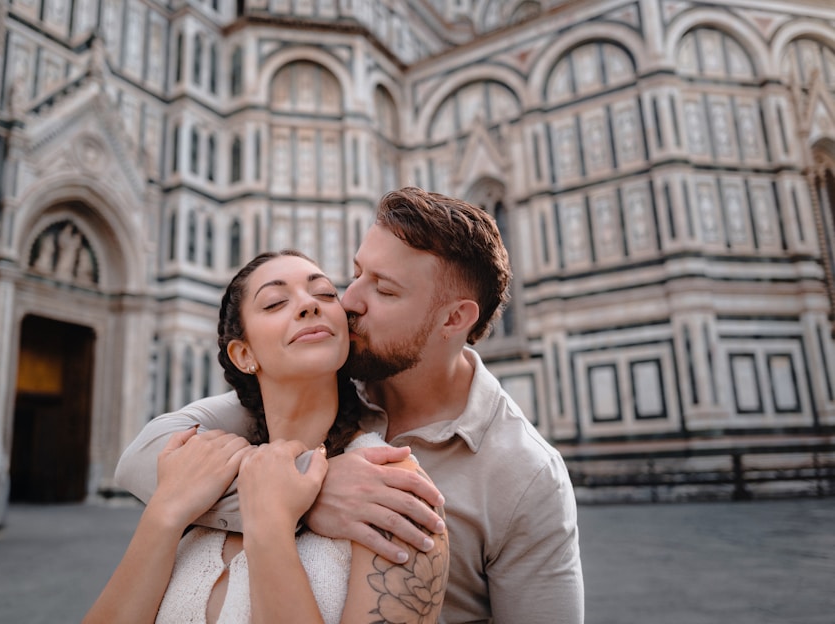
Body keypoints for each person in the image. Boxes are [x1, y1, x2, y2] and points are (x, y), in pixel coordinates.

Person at [116, 187, 584, 623]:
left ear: (454, 318)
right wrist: (310, 492)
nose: (349, 300)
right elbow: (141, 458)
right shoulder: (322, 380)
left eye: (385, 289)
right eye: (357, 273)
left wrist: (280, 507)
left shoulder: (527, 475)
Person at [86, 250, 449, 624]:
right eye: (275, 302)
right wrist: (164, 515)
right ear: (244, 354)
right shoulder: (203, 471)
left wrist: (270, 526)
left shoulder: (391, 485)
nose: (308, 305)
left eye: (325, 294)